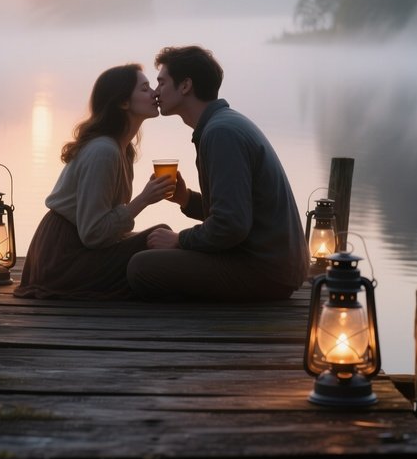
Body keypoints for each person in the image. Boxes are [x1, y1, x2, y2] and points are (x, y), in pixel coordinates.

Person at [127, 45, 309, 301]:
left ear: (185, 86)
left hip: (264, 272)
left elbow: (231, 226)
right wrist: (186, 199)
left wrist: (179, 240)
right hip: (273, 265)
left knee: (140, 267)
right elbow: (239, 215)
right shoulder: (223, 124)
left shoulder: (221, 134)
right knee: (149, 254)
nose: (156, 92)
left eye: (162, 82)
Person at [15, 63, 173, 300]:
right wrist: (143, 200)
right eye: (145, 88)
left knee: (159, 238)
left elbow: (99, 230)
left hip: (73, 250)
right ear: (123, 102)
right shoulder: (103, 151)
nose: (154, 93)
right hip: (63, 258)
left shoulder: (122, 149)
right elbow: (94, 234)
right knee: (159, 240)